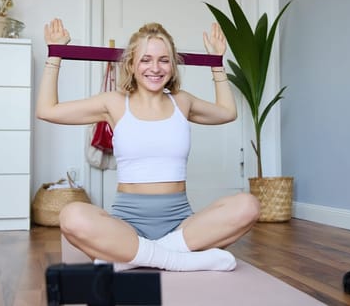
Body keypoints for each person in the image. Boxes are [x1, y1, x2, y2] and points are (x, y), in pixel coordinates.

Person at [36, 18, 260, 272]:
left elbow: (227, 112)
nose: (155, 68)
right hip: (127, 225)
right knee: (71, 216)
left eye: (164, 60)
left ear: (173, 66)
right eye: (145, 59)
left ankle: (133, 257)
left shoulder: (182, 101)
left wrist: (216, 63)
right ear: (131, 64)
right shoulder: (114, 102)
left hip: (180, 225)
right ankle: (176, 260)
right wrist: (54, 55)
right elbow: (47, 110)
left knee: (248, 205)